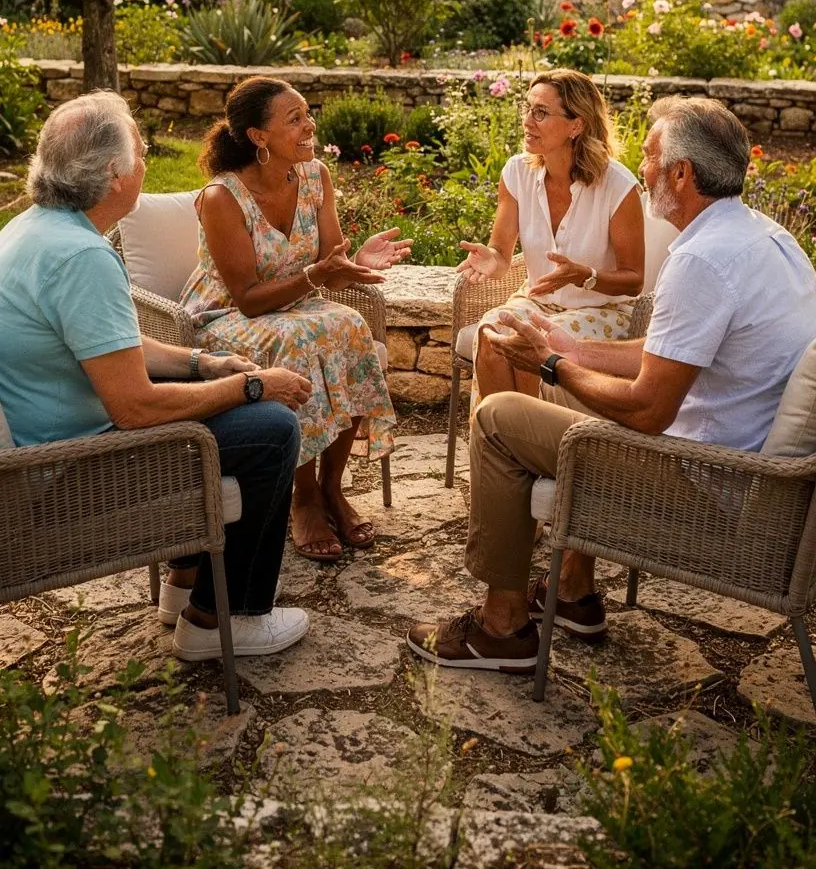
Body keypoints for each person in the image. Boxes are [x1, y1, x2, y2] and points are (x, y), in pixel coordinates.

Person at [407, 95, 816, 672]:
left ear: (682, 173)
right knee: (544, 384)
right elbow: (668, 355)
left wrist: (552, 363)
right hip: (745, 465)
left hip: (710, 484)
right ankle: (571, 591)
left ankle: (500, 628)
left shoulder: (702, 259)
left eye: (650, 157)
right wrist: (573, 348)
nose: (641, 168)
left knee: (499, 418)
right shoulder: (768, 239)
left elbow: (648, 411)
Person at [0, 91, 311, 663]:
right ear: (115, 175)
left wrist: (205, 364)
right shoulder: (81, 258)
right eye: (142, 154)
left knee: (233, 410)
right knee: (270, 431)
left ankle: (182, 588)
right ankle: (224, 619)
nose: (146, 162)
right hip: (68, 469)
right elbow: (135, 409)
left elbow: (111, 345)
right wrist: (252, 385)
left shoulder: (35, 230)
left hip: (47, 446)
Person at [180, 76, 410, 562]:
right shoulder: (222, 198)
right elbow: (246, 298)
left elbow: (330, 261)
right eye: (295, 120)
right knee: (303, 341)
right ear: (258, 137)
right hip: (225, 316)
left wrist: (357, 262)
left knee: (349, 326)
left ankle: (331, 487)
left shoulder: (314, 176)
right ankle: (300, 498)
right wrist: (316, 276)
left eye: (307, 114)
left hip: (295, 307)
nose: (309, 126)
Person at [459, 69, 644, 404]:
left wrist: (585, 276)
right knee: (490, 336)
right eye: (527, 109)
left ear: (577, 125)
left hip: (604, 311)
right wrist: (492, 259)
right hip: (537, 302)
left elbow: (634, 281)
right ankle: (500, 444)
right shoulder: (516, 172)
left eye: (541, 112)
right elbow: (501, 253)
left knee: (531, 343)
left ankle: (528, 443)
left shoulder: (618, 186)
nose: (528, 121)